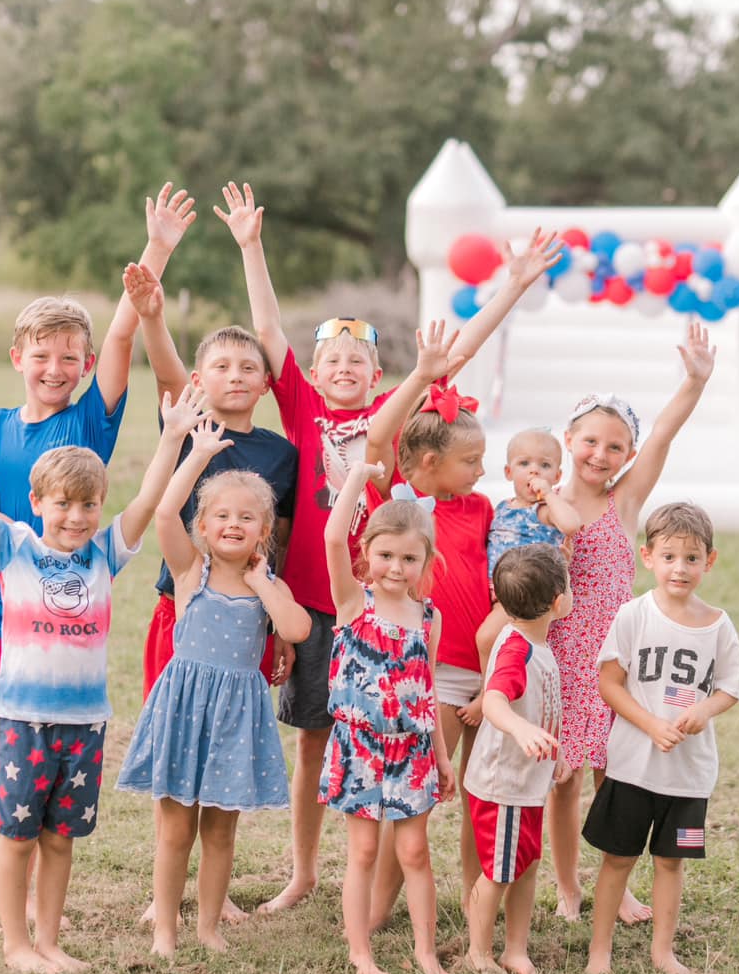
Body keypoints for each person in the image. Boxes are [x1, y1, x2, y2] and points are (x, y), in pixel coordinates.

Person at [224, 178, 559, 915]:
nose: (343, 369)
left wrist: (512, 284)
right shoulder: (303, 409)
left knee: (392, 747)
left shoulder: (391, 416)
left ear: (378, 376)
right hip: (317, 599)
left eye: (358, 362)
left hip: (384, 611)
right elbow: (269, 330)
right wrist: (253, 247)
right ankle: (306, 871)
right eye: (331, 360)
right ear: (313, 376)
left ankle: (381, 885)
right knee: (317, 741)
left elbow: (453, 357)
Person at [0, 189, 192, 936]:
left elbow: (126, 333)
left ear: (86, 364)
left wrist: (154, 248)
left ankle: (30, 903)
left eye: (71, 357)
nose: (56, 368)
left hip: (50, 637)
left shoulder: (90, 417)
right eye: (43, 355)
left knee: (31, 773)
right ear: (16, 358)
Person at [0, 376, 199, 974]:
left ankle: (47, 941)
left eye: (88, 505)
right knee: (17, 837)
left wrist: (174, 438)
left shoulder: (103, 553)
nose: (76, 517)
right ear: (36, 502)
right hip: (24, 724)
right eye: (63, 504)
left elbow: (148, 500)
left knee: (61, 841)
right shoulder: (12, 545)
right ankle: (16, 945)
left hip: (83, 727)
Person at [116, 420, 313, 958]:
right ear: (201, 526)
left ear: (263, 531)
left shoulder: (269, 586)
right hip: (185, 708)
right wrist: (198, 455)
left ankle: (208, 926)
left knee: (222, 833)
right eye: (221, 516)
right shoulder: (189, 570)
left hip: (234, 717)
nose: (233, 524)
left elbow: (295, 630)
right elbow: (161, 512)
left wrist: (261, 583)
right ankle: (166, 930)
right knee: (176, 830)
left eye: (246, 518)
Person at [545, 323, 715, 924]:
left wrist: (694, 380)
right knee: (563, 779)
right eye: (590, 441)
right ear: (569, 438)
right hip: (562, 651)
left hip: (618, 657)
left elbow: (664, 434)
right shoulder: (545, 502)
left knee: (614, 772)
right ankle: (568, 886)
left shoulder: (624, 502)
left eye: (615, 447)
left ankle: (615, 883)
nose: (601, 455)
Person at [135, 324, 299, 928]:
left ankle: (213, 896)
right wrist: (153, 316)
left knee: (223, 759)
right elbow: (164, 370)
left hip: (250, 615)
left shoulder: (282, 455)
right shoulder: (186, 428)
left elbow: (279, 540)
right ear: (201, 380)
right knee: (177, 758)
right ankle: (165, 892)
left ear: (265, 383)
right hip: (184, 615)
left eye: (247, 367)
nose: (235, 376)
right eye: (220, 366)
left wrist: (276, 621)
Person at [359, 324, 495, 917]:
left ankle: (475, 901)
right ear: (432, 461)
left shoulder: (483, 506)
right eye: (471, 461)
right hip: (428, 671)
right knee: (416, 800)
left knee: (477, 793)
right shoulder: (403, 507)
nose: (481, 472)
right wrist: (420, 373)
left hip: (483, 671)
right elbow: (379, 435)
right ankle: (379, 906)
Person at [584, 502, 739, 974]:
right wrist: (651, 725)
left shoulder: (718, 624)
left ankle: (663, 952)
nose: (680, 568)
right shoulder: (634, 616)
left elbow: (730, 689)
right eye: (670, 557)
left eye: (692, 559)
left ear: (709, 562)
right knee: (618, 859)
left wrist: (702, 710)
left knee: (673, 862)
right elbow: (609, 683)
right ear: (647, 556)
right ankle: (599, 952)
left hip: (689, 778)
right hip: (633, 769)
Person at [318, 460, 451, 974]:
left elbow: (429, 688)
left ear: (427, 560)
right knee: (366, 849)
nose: (396, 567)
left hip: (413, 750)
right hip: (360, 746)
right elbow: (333, 536)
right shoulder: (354, 603)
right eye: (386, 555)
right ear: (367, 553)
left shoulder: (429, 617)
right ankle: (360, 951)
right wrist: (357, 477)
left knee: (415, 851)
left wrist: (441, 754)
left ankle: (425, 950)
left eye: (409, 558)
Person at [461, 543, 572, 974]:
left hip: (527, 782)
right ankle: (478, 952)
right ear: (558, 603)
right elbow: (494, 702)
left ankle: (515, 949)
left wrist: (554, 756)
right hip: (502, 787)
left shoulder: (533, 642)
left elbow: (541, 708)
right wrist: (520, 730)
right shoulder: (517, 651)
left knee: (524, 865)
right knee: (499, 872)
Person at [474, 428, 582, 665]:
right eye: (524, 463)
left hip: (523, 592)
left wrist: (549, 494)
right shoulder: (502, 507)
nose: (534, 470)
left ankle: (486, 694)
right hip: (498, 591)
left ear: (556, 476)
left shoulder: (544, 511)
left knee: (486, 637)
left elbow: (572, 525)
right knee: (511, 649)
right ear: (508, 472)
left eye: (544, 465)